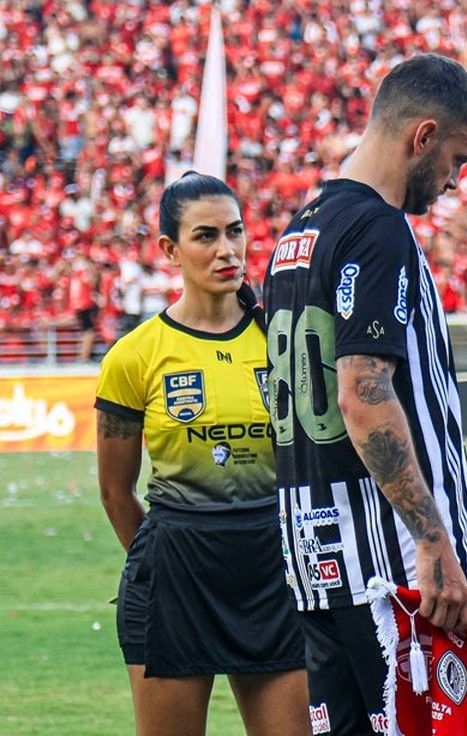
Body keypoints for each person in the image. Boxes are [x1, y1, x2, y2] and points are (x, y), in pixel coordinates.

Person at [263, 53, 467, 736]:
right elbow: (363, 393)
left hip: (316, 561)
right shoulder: (378, 228)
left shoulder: (300, 228)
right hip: (388, 571)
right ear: (422, 136)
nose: (455, 183)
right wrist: (432, 542)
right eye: (458, 160)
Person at [95, 171, 308, 736]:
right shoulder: (134, 355)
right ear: (170, 249)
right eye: (206, 236)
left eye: (235, 232)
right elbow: (116, 491)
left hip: (273, 571)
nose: (227, 250)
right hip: (175, 576)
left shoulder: (280, 339)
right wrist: (161, 557)